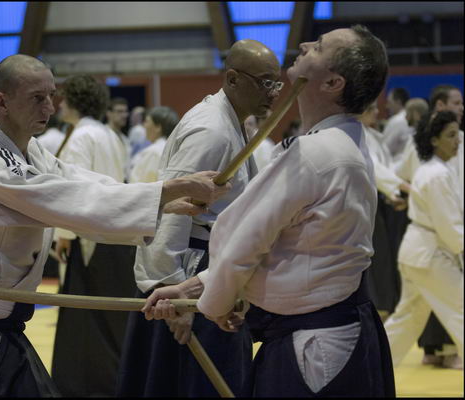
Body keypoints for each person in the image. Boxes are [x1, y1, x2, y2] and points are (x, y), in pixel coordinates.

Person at [0, 54, 229, 398]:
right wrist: (168, 190)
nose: (50, 107)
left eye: (52, 95)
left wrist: (162, 202)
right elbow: (64, 198)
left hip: (2, 315)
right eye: (38, 98)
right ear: (2, 102)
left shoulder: (28, 148)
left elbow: (79, 179)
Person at [143, 25, 395, 397]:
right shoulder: (345, 141)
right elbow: (283, 244)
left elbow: (243, 242)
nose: (306, 45)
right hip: (333, 332)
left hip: (314, 345)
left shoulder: (316, 153)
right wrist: (193, 288)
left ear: (332, 83)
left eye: (319, 47)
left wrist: (210, 304)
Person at [118, 38, 281, 398]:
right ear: (233, 79)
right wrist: (173, 295)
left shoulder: (232, 122)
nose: (273, 92)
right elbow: (173, 214)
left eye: (277, 82)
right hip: (186, 276)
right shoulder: (212, 131)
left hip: (208, 270)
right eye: (265, 82)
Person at [52, 77, 136, 397]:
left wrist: (62, 234)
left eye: (63, 98)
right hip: (117, 232)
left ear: (75, 101)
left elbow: (72, 192)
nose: (58, 104)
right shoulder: (111, 135)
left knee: (87, 315)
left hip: (90, 235)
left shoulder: (80, 137)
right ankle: (115, 380)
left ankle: (85, 386)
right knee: (109, 316)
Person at [383, 110, 463, 370]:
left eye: (457, 134)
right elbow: (450, 226)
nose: (457, 140)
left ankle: (371, 370)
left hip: (418, 253)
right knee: (461, 311)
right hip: (430, 254)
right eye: (450, 135)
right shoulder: (436, 174)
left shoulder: (437, 170)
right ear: (434, 140)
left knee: (407, 319)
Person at [359, 102, 409, 318]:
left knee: (384, 260)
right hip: (368, 204)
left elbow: (386, 167)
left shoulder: (372, 135)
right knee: (376, 261)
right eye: (371, 109)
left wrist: (395, 191)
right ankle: (377, 308)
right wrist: (397, 188)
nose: (377, 112)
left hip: (383, 201)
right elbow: (375, 169)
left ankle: (383, 307)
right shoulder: (357, 135)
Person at [129, 106, 179, 183]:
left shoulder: (153, 152)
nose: (144, 125)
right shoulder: (173, 148)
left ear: (158, 127)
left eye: (147, 121)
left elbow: (142, 186)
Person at [383, 87, 411, 162]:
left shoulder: (397, 121)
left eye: (389, 102)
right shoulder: (409, 117)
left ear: (398, 102)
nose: (387, 106)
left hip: (397, 165)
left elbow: (385, 148)